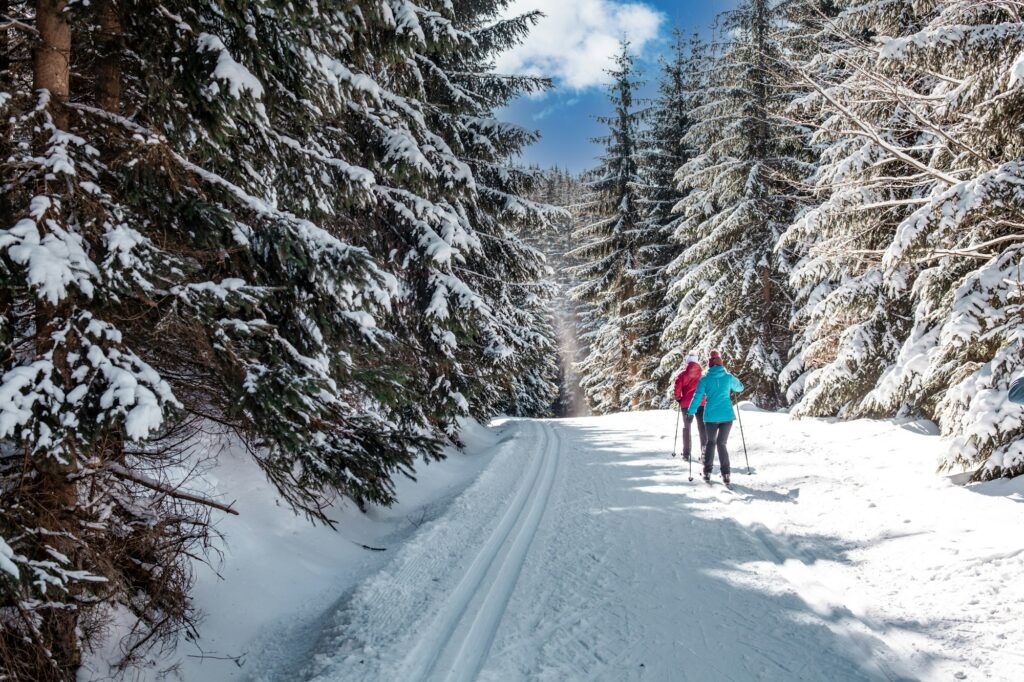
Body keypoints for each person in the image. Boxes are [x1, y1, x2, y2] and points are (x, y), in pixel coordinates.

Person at [687, 350, 744, 485]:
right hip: (726, 416)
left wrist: (690, 412)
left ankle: (707, 473)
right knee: (722, 444)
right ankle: (726, 474)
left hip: (711, 417)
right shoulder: (728, 377)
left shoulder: (705, 379)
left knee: (710, 443)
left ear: (710, 365)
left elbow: (697, 396)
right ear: (721, 364)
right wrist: (732, 381)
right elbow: (740, 388)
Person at [673, 353, 707, 462]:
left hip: (686, 404)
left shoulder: (682, 374)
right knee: (702, 428)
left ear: (687, 362)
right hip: (701, 403)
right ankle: (705, 453)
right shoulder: (702, 375)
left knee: (687, 427)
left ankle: (686, 454)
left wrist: (679, 398)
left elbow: (677, 388)